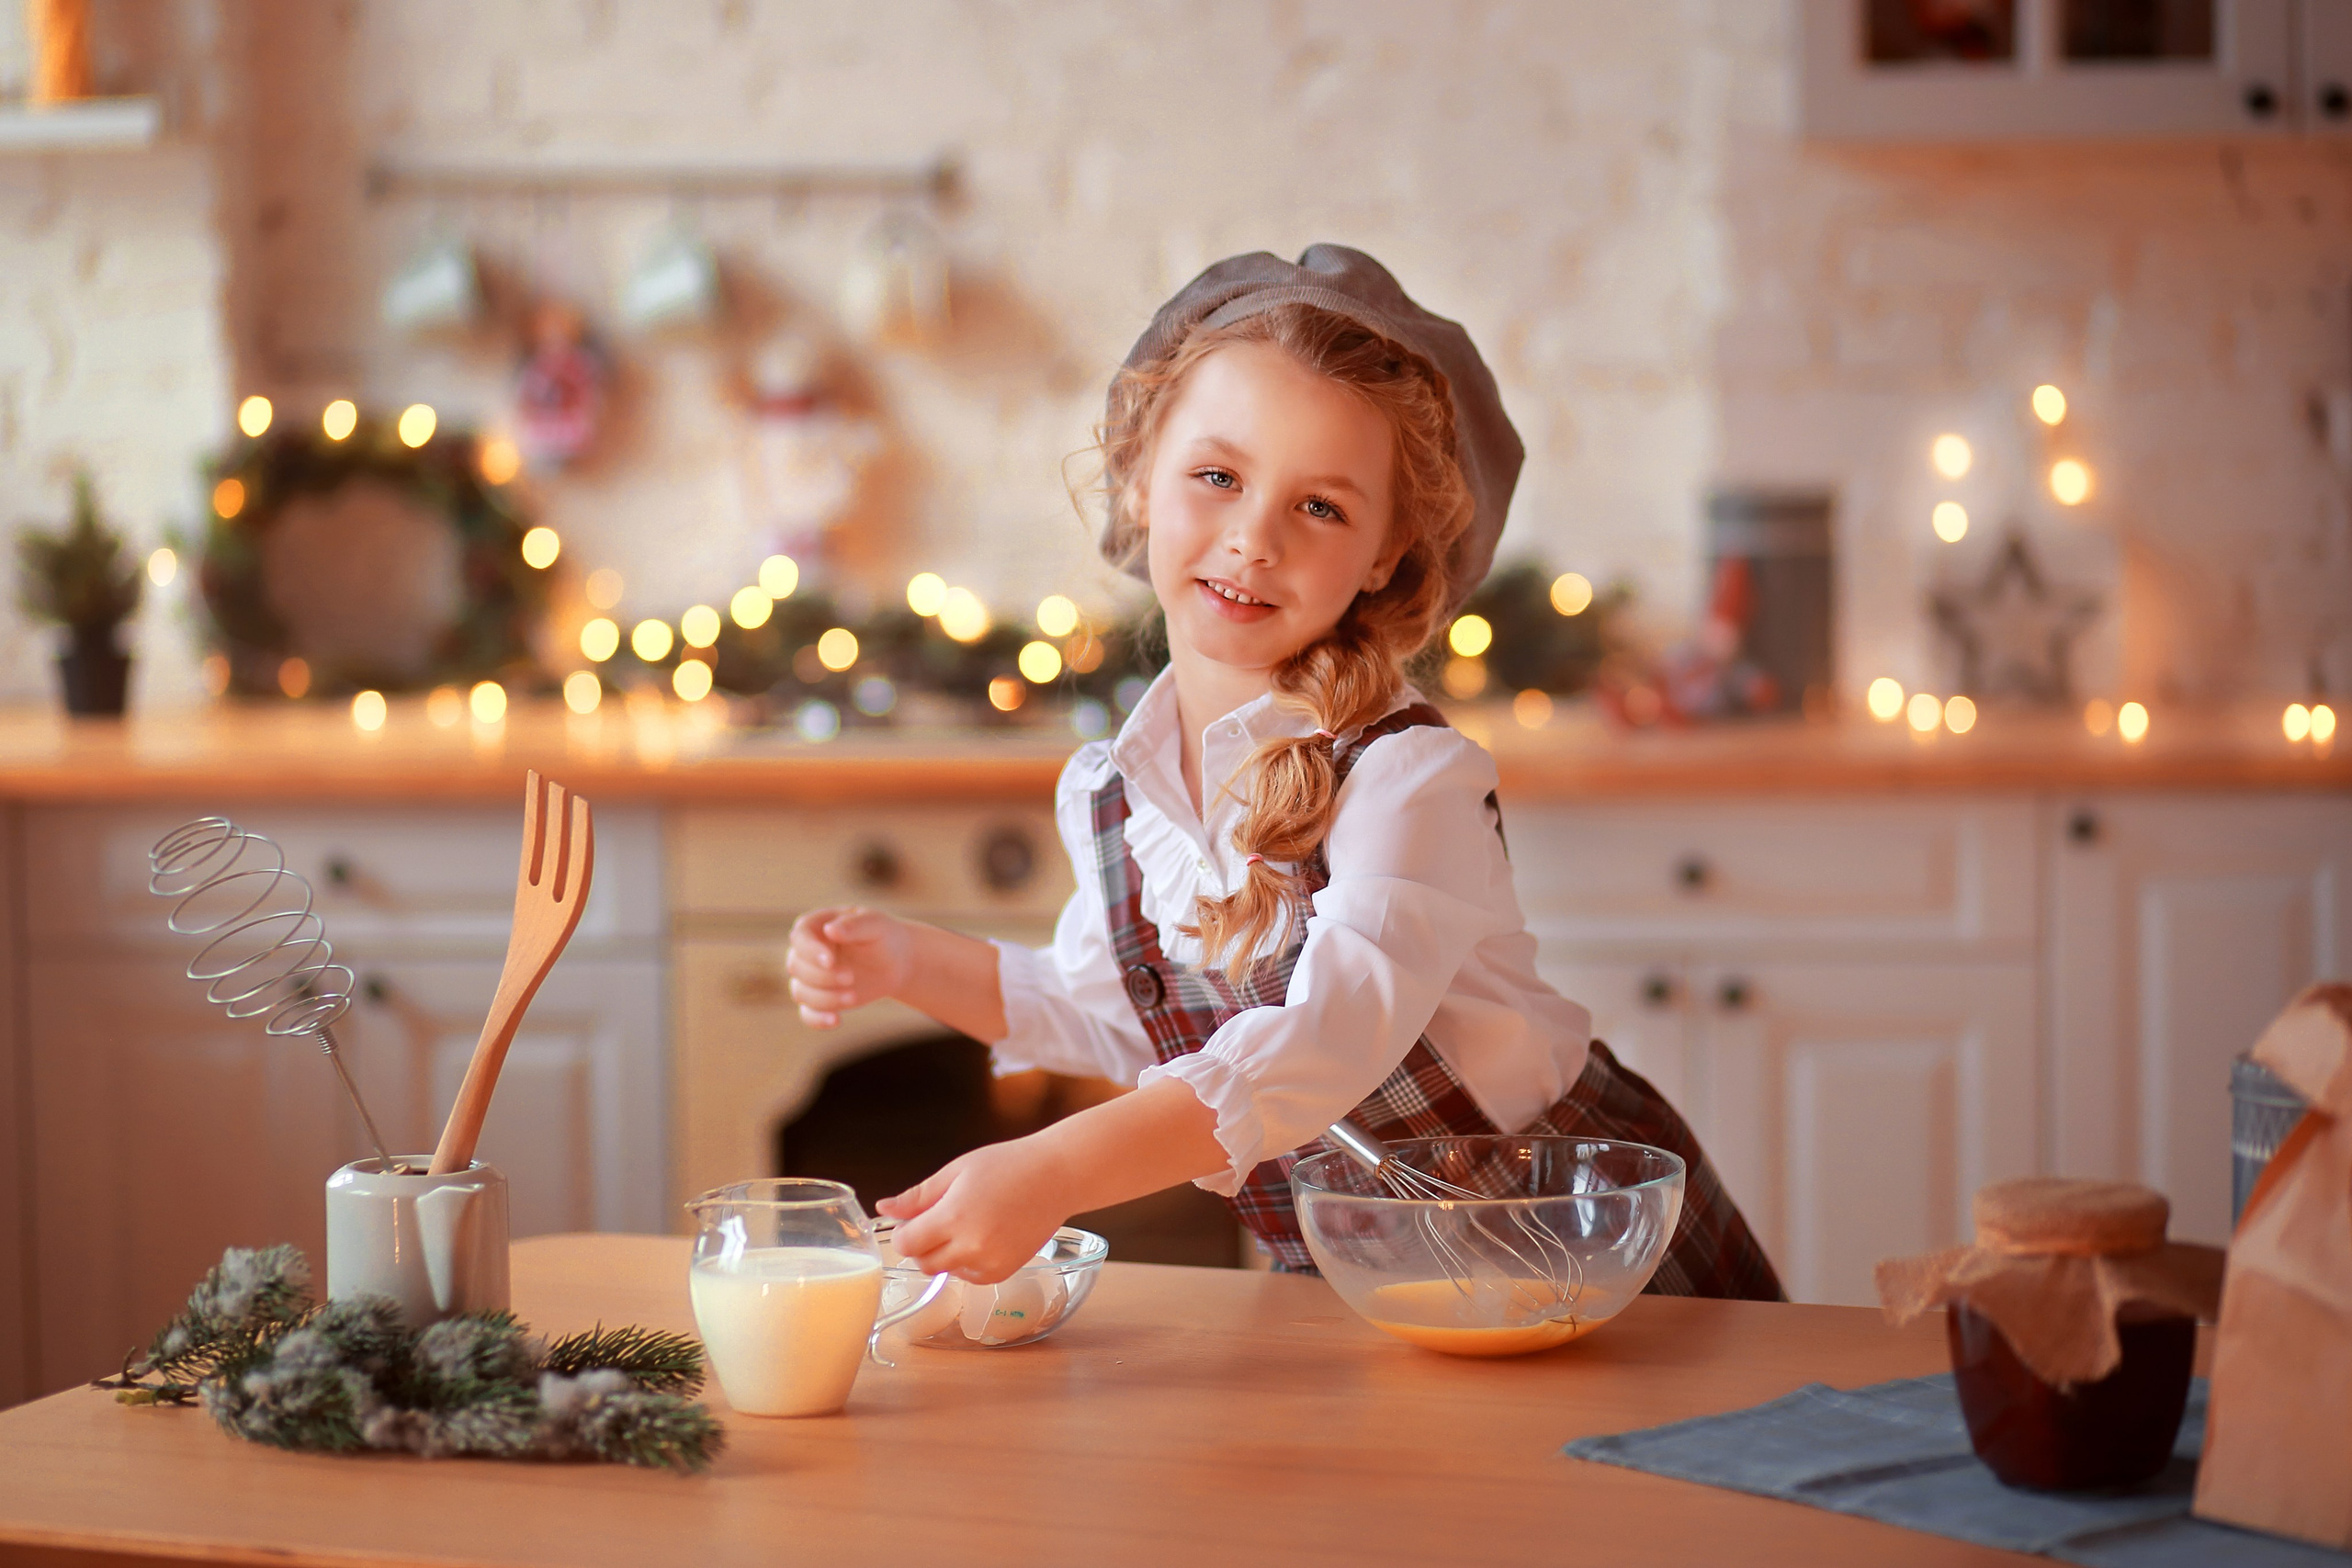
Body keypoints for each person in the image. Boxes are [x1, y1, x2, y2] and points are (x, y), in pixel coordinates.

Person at [787, 245, 1783, 1300]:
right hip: (1374, 1286)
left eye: (1321, 508)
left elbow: (1323, 1044)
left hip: (1583, 1259)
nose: (1253, 539)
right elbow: (1098, 1013)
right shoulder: (1117, 796)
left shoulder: (1406, 780)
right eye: (1218, 477)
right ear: (1139, 475)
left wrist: (1055, 1172)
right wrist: (905, 959)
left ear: (1386, 553)